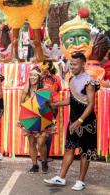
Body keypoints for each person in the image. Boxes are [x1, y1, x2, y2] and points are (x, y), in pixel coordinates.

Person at [44, 53, 100, 191]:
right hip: (74, 120)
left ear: (83, 64)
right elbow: (73, 99)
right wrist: (55, 104)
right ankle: (61, 177)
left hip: (86, 123)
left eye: (75, 64)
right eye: (71, 64)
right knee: (69, 148)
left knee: (85, 152)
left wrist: (80, 121)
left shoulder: (89, 81)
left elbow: (91, 104)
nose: (72, 67)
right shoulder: (72, 79)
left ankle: (81, 181)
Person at [17, 67, 57, 173]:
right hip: (31, 118)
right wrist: (30, 104)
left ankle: (44, 161)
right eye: (31, 75)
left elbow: (51, 105)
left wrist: (42, 106)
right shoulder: (26, 89)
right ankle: (35, 165)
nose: (32, 77)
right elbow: (21, 103)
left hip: (42, 118)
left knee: (41, 143)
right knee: (32, 143)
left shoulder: (45, 89)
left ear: (39, 77)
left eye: (35, 75)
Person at [40, 60, 62, 162]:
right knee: (48, 130)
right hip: (53, 105)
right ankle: (46, 155)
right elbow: (59, 89)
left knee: (42, 129)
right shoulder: (57, 78)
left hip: (43, 104)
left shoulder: (41, 78)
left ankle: (42, 155)